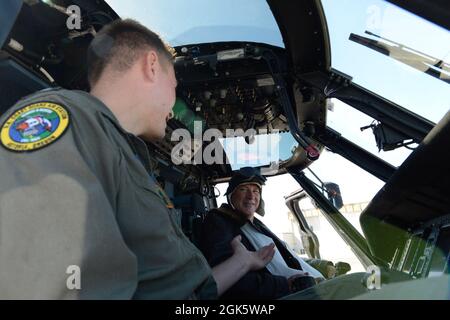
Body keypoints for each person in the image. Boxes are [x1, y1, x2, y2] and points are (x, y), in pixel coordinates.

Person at [0, 19, 275, 299]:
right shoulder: (65, 120)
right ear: (151, 66)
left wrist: (243, 263)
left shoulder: (127, 153)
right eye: (174, 85)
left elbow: (176, 287)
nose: (172, 107)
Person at [200, 167, 370, 300]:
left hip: (311, 287)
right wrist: (287, 285)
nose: (251, 196)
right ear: (231, 196)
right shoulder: (219, 222)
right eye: (244, 189)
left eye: (256, 190)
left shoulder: (256, 225)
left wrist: (321, 266)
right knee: (369, 283)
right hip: (290, 294)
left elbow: (284, 258)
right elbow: (229, 280)